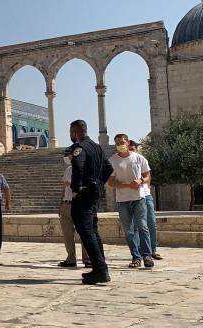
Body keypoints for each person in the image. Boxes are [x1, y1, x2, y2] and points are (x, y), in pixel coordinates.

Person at [68, 119, 113, 285]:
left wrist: (76, 189)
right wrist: (98, 184)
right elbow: (108, 169)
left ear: (75, 132)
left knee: (86, 231)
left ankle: (100, 270)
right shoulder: (97, 147)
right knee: (92, 230)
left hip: (84, 194)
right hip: (94, 192)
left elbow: (78, 168)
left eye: (71, 132)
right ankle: (100, 267)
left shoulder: (79, 148)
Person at [109, 133, 154, 269]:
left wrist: (141, 180)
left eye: (122, 142)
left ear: (128, 143)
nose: (120, 145)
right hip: (122, 200)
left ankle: (147, 255)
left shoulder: (139, 158)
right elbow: (110, 182)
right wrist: (125, 185)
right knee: (129, 230)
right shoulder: (112, 161)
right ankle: (136, 256)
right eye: (117, 143)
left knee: (143, 227)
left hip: (138, 198)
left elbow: (147, 176)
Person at [129, 140, 162, 260]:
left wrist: (144, 187)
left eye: (133, 149)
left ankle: (153, 249)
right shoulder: (125, 162)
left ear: (136, 149)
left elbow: (148, 177)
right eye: (129, 149)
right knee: (136, 226)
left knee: (151, 223)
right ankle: (139, 252)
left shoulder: (141, 160)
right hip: (132, 197)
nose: (131, 151)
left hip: (145, 195)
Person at [57, 148, 90, 268]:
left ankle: (87, 259)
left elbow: (87, 186)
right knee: (67, 234)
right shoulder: (68, 169)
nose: (67, 157)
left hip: (79, 203)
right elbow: (64, 188)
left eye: (69, 155)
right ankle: (71, 258)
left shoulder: (85, 169)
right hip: (66, 204)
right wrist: (61, 203)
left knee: (83, 233)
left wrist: (72, 184)